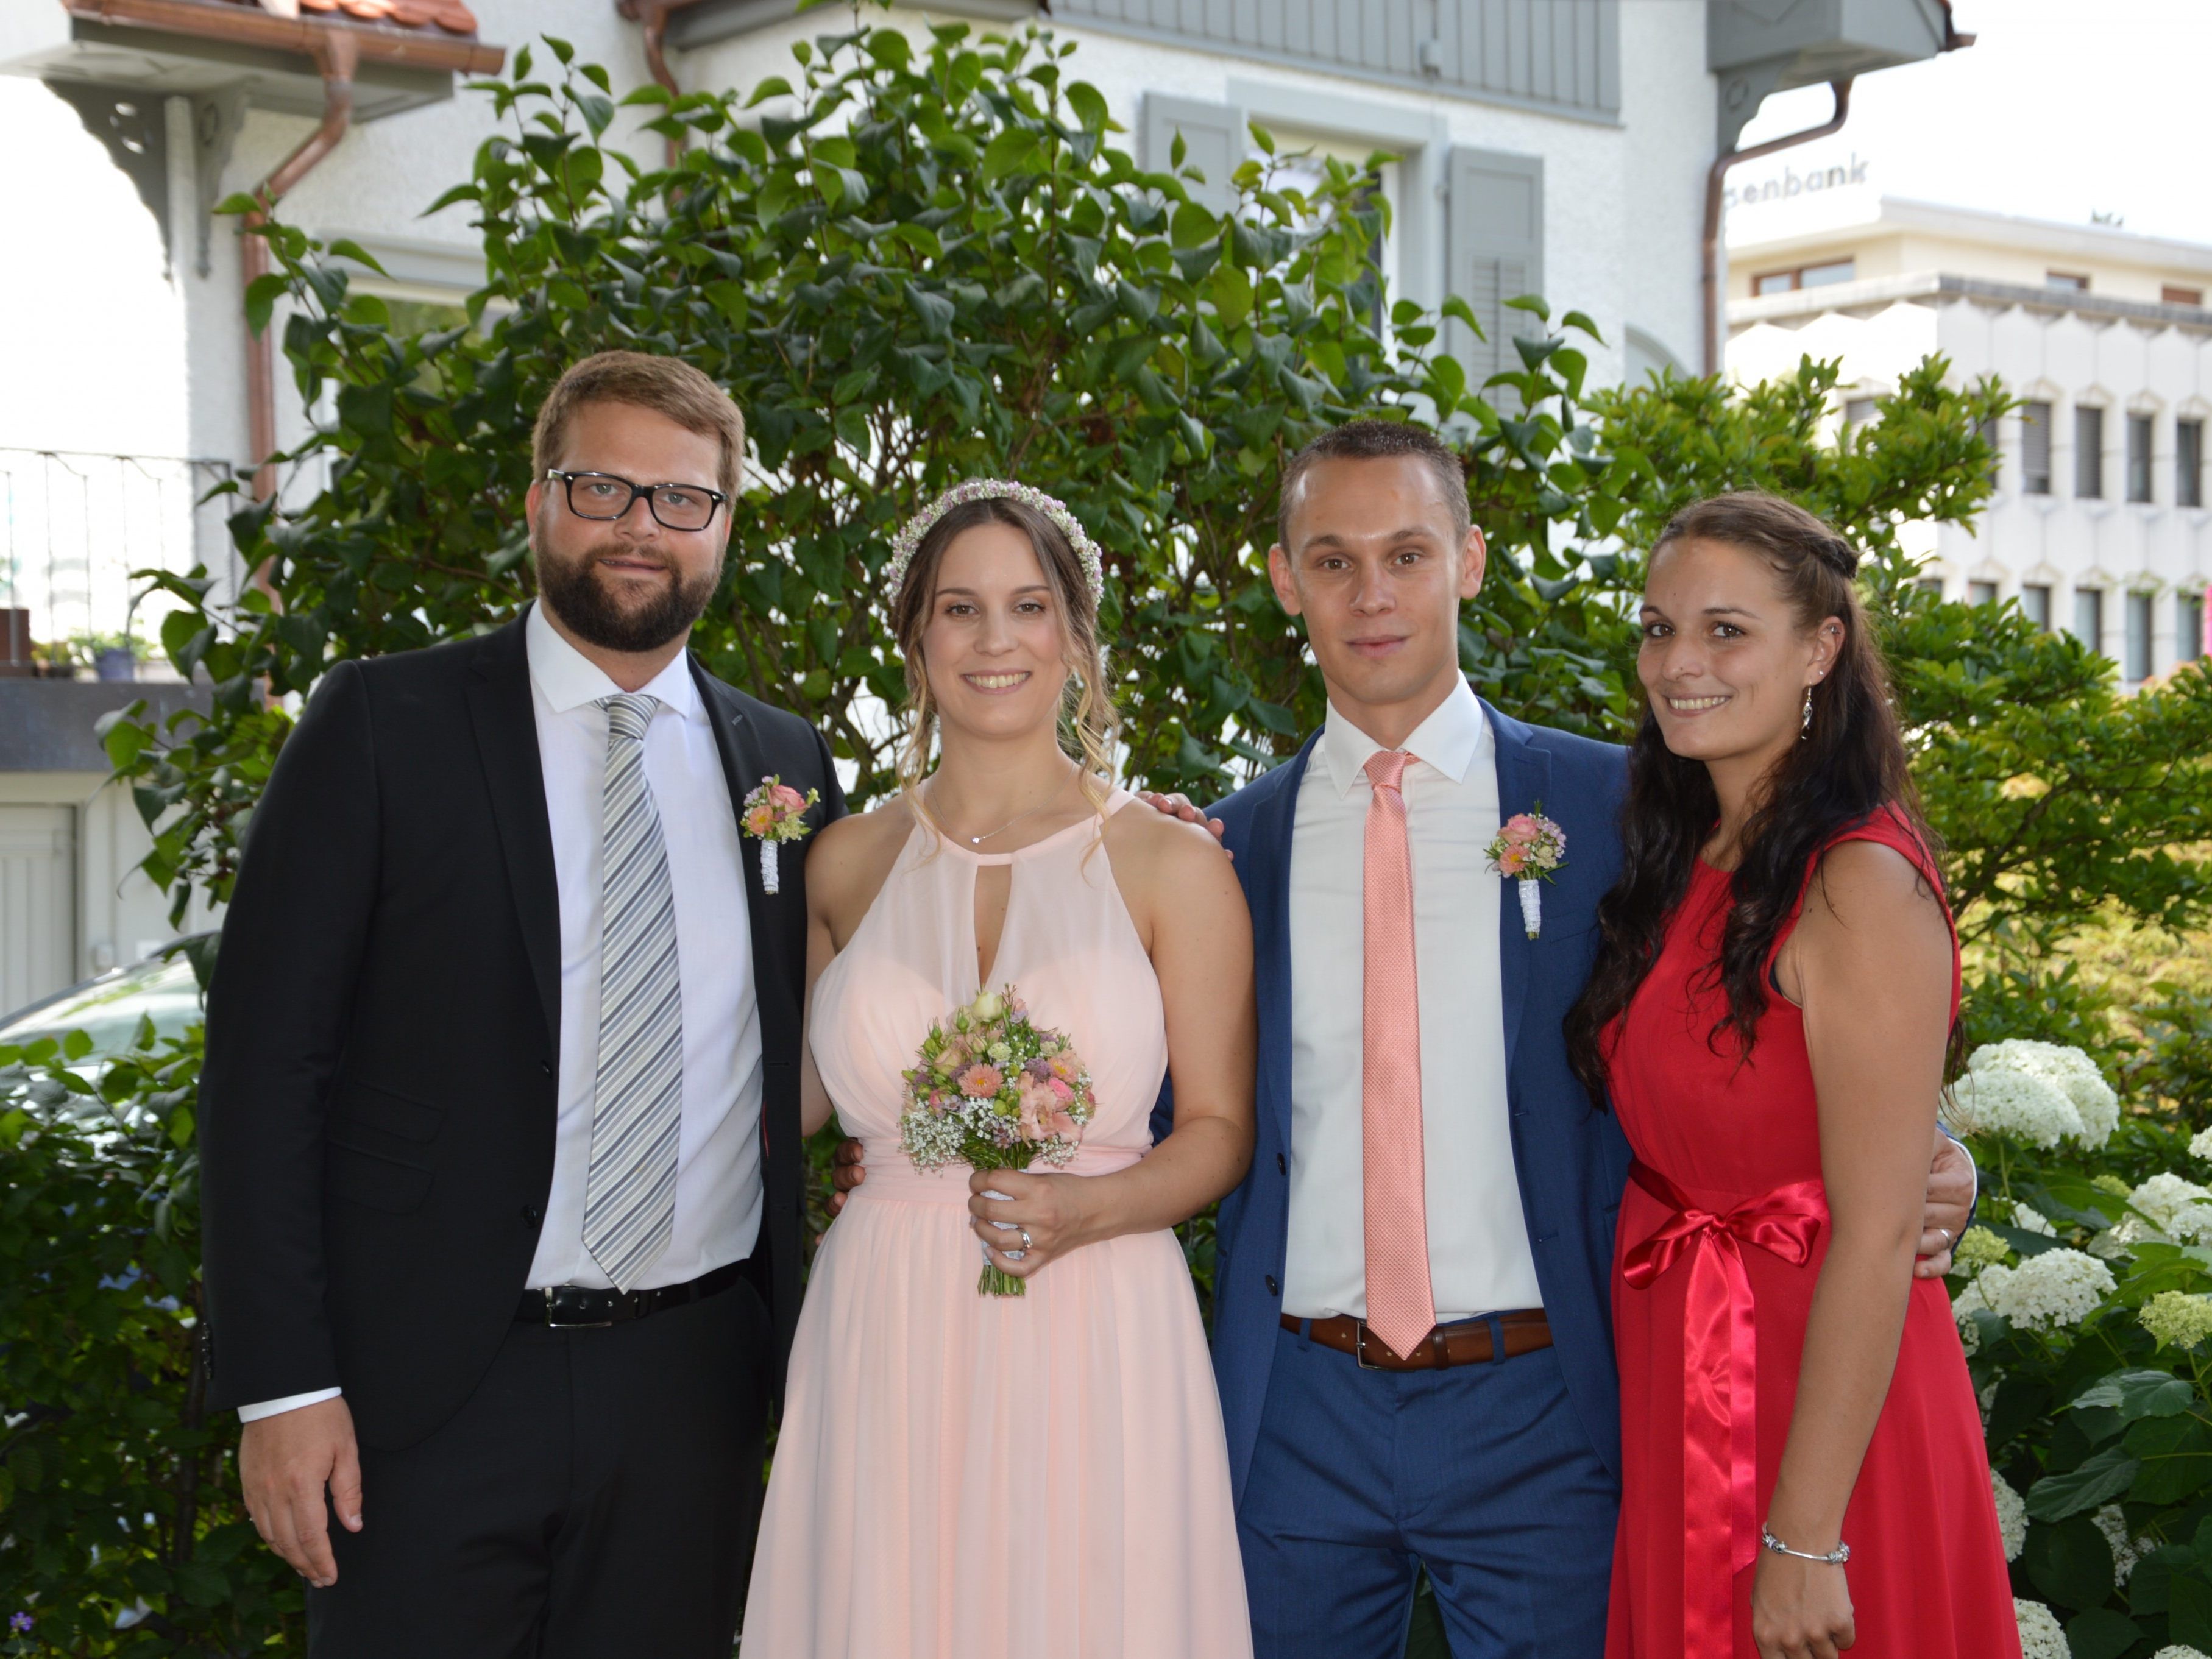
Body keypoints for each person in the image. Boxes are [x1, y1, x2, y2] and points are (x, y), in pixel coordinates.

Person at [832, 421, 1976, 1656]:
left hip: (1546, 1409)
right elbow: (1124, 1097)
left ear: (1470, 563)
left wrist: (1938, 1148)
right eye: (1332, 561)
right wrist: (914, 1126)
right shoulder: (1217, 851)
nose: (1371, 596)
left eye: (1408, 554)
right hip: (1295, 1419)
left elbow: (1765, 985)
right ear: (1284, 579)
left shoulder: (1624, 806)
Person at [198, 351, 843, 1657]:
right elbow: (265, 1073)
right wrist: (284, 1386)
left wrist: (1112, 844)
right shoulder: (384, 724)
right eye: (601, 486)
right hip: (425, 1392)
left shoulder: (784, 762)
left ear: (724, 527)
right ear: (538, 498)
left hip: (693, 1390)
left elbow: (883, 983)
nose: (639, 528)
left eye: (680, 501)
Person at [740, 481, 1257, 1657]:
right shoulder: (841, 862)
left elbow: (1221, 1129)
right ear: (917, 638)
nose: (993, 641)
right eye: (959, 609)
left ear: (1074, 635)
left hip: (1098, 1307)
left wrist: (1091, 1206)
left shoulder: (1172, 863)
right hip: (888, 1323)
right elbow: (784, 1110)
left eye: (1027, 606)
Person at [1565, 493, 2018, 1658]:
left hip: (1826, 1403)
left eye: (1726, 631)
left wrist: (1805, 1536)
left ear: (1820, 648)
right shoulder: (1686, 854)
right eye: (1657, 628)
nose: (1679, 664)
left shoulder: (1856, 881)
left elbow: (1876, 1232)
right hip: (1687, 1361)